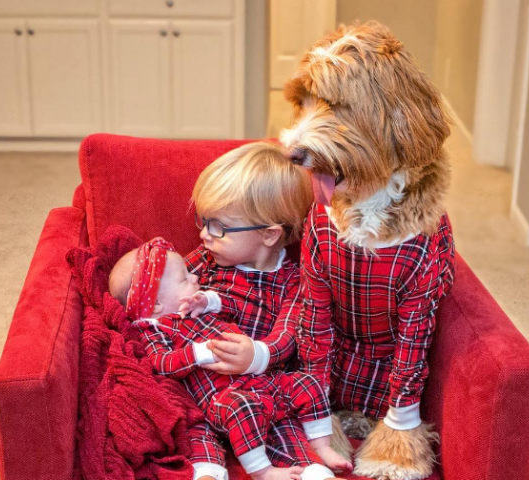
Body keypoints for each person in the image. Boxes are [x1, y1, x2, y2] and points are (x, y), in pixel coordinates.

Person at [109, 142, 351, 480]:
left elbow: (288, 333)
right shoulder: (205, 260)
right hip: (203, 390)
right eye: (203, 221)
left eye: (218, 226)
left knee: (282, 428)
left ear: (269, 235)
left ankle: (309, 469)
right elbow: (159, 290)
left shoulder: (294, 281)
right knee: (195, 425)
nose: (204, 234)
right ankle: (208, 469)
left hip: (260, 387)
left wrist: (257, 354)